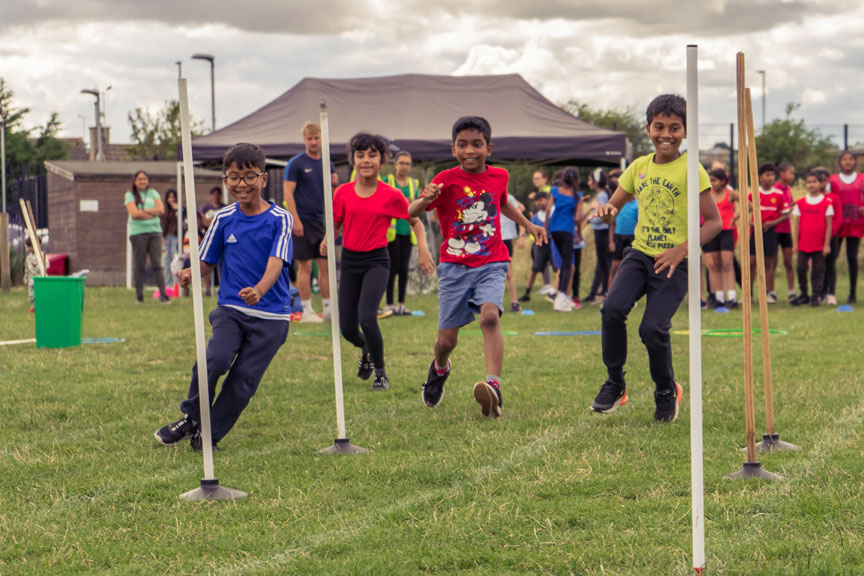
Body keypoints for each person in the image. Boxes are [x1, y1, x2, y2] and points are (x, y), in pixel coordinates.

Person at [154, 143, 293, 451]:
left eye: (249, 176)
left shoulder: (280, 219)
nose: (241, 184)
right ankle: (191, 417)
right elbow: (208, 259)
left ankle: (209, 434)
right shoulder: (222, 218)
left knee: (243, 381)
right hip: (231, 309)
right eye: (234, 178)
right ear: (225, 180)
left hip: (272, 316)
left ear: (263, 178)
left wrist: (260, 289)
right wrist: (191, 271)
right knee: (214, 360)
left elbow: (277, 261)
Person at [591, 94, 721, 422]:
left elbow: (715, 222)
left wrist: (682, 249)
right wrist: (606, 211)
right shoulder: (639, 167)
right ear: (648, 129)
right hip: (640, 254)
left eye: (675, 128)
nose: (667, 134)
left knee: (652, 329)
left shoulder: (693, 169)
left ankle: (666, 388)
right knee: (612, 310)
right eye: (659, 127)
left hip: (674, 261)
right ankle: (615, 382)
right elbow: (613, 209)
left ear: (686, 131)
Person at [408, 116, 546, 418]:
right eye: (462, 145)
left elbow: (501, 203)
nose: (470, 150)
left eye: (477, 144)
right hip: (454, 266)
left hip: (491, 260)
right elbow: (411, 212)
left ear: (489, 147)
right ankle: (439, 368)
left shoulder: (499, 176)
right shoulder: (444, 179)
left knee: (490, 317)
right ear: (454, 149)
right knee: (446, 341)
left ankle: (494, 387)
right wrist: (424, 199)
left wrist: (528, 224)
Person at [329, 134, 434, 391]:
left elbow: (416, 222)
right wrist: (326, 240)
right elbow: (336, 225)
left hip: (377, 260)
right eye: (360, 155)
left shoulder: (392, 195)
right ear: (352, 159)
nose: (366, 160)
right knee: (347, 328)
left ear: (383, 159)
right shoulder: (342, 193)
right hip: (351, 262)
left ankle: (381, 374)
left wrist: (422, 249)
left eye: (372, 155)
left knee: (367, 316)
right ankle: (365, 348)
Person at [283, 121, 339, 322]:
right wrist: (295, 220)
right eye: (309, 138)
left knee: (325, 266)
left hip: (322, 221)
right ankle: (306, 309)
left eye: (316, 138)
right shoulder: (296, 163)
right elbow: (288, 193)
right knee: (305, 267)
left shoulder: (328, 163)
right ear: (304, 140)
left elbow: (333, 192)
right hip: (303, 220)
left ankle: (328, 309)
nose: (313, 142)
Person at [383, 151, 420, 316]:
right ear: (395, 164)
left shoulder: (414, 184)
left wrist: (416, 203)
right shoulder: (387, 181)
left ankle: (401, 304)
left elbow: (420, 205)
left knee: (404, 268)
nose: (404, 166)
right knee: (392, 268)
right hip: (391, 232)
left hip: (407, 231)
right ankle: (389, 303)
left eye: (407, 163)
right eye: (402, 163)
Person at [125, 170, 169, 304]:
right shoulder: (130, 195)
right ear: (135, 181)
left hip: (155, 232)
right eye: (139, 179)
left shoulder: (153, 193)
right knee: (139, 264)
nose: (142, 181)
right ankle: (139, 296)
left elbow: (161, 210)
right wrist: (152, 213)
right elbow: (133, 214)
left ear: (148, 180)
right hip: (138, 233)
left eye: (144, 179)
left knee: (157, 264)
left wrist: (143, 211)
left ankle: (164, 295)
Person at [790, 170, 833, 307]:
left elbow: (829, 226)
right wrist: (795, 243)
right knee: (801, 268)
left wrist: (826, 245)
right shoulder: (800, 202)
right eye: (809, 182)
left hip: (819, 244)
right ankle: (803, 294)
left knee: (818, 271)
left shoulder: (827, 203)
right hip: (804, 243)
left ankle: (816, 296)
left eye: (814, 181)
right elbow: (796, 225)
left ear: (821, 184)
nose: (811, 184)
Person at [749, 163, 790, 304]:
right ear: (760, 177)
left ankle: (769, 293)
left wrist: (771, 223)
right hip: (755, 231)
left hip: (770, 231)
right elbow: (746, 210)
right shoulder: (754, 193)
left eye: (772, 175)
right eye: (767, 175)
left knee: (768, 263)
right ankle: (749, 294)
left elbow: (785, 214)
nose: (770, 178)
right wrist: (750, 222)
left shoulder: (779, 194)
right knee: (752, 261)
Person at [829, 151, 864, 303]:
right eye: (844, 159)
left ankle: (852, 294)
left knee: (852, 257)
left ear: (856, 162)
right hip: (838, 224)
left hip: (855, 224)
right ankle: (829, 293)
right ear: (840, 162)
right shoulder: (833, 180)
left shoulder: (862, 179)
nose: (848, 162)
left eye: (851, 159)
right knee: (832, 257)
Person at [545, 168, 581, 311]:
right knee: (567, 265)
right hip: (567, 230)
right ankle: (562, 298)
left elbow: (548, 210)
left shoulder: (555, 191)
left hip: (554, 230)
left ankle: (560, 297)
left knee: (563, 266)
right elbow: (577, 218)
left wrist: (546, 229)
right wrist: (580, 233)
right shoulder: (576, 196)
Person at [703, 168, 739, 308]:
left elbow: (749, 205)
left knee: (728, 264)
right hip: (713, 233)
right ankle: (719, 297)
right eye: (710, 180)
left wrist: (735, 217)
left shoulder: (730, 194)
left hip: (727, 232)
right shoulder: (709, 195)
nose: (712, 183)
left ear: (723, 181)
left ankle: (732, 297)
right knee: (715, 265)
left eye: (714, 180)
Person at [519, 191, 555, 302]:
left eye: (541, 200)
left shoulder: (554, 212)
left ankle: (557, 292)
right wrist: (534, 241)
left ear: (547, 200)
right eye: (537, 201)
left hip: (554, 242)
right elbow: (532, 233)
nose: (539, 203)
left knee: (558, 268)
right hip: (540, 244)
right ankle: (527, 293)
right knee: (535, 268)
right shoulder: (535, 217)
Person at [583, 169, 611, 303]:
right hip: (600, 231)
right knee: (602, 262)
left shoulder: (601, 196)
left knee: (604, 263)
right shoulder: (602, 195)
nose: (588, 183)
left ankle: (604, 293)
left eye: (590, 180)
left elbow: (602, 216)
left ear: (596, 181)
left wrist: (589, 219)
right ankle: (596, 292)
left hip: (602, 231)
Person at [774, 162, 797, 302]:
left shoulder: (788, 189)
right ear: (781, 173)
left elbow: (788, 206)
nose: (792, 176)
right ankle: (770, 292)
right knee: (772, 263)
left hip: (786, 229)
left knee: (788, 262)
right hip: (775, 230)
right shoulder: (775, 189)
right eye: (791, 173)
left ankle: (792, 292)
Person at [501, 193, 527, 312]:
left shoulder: (508, 197)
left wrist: (522, 235)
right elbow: (521, 207)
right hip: (490, 237)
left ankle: (515, 303)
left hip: (505, 238)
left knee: (508, 273)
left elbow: (519, 213)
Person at [608, 191, 638, 290]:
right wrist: (611, 241)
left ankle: (629, 294)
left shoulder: (637, 205)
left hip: (631, 238)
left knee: (630, 268)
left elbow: (639, 223)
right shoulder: (619, 205)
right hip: (618, 237)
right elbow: (612, 224)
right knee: (614, 267)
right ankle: (609, 293)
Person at [200, 187, 226, 297]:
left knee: (222, 265)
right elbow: (204, 222)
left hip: (222, 239)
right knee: (206, 262)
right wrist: (216, 218)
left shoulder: (224, 208)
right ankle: (207, 289)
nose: (216, 196)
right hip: (208, 238)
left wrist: (213, 219)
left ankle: (223, 288)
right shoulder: (205, 208)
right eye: (214, 194)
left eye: (218, 194)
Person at [161, 189, 180, 289]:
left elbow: (182, 221)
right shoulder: (164, 210)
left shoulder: (180, 209)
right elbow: (161, 224)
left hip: (176, 237)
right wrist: (161, 237)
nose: (171, 199)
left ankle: (176, 285)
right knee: (166, 262)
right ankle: (167, 285)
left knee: (175, 261)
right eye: (169, 197)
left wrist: (177, 209)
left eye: (173, 197)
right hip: (166, 238)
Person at [24, 237, 41, 313]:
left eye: (31, 246)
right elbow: (26, 269)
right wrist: (26, 278)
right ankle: (33, 307)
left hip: (40, 279)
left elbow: (47, 265)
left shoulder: (41, 255)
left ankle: (40, 306)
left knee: (39, 294)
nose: (30, 248)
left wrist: (37, 265)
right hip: (31, 280)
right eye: (29, 247)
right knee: (31, 295)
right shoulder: (28, 258)